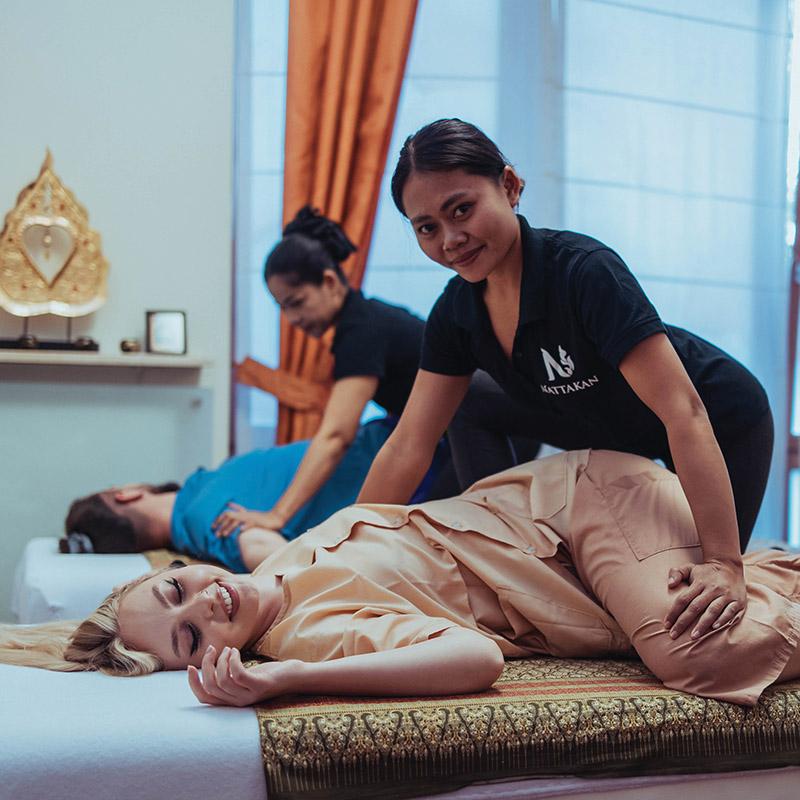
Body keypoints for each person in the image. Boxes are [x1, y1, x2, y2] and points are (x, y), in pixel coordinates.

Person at [357, 118, 774, 641]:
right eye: (427, 227)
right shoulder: (456, 313)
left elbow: (683, 412)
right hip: (597, 423)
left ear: (509, 187)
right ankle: (506, 549)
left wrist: (725, 564)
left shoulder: (583, 271)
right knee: (471, 403)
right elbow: (408, 444)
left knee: (694, 610)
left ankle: (768, 579)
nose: (450, 239)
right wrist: (339, 544)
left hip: (716, 421)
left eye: (461, 209)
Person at [2, 450, 799, 709]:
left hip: (572, 496)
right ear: (206, 665)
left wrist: (249, 529)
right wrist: (288, 679)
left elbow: (255, 548)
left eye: (180, 591)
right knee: (703, 657)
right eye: (191, 640)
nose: (207, 608)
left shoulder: (266, 565)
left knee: (689, 654)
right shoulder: (312, 633)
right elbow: (475, 661)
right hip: (588, 540)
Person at [63, 418, 396, 572]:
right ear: (125, 495)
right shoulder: (205, 522)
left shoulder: (198, 498)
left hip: (394, 440)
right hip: (412, 462)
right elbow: (263, 549)